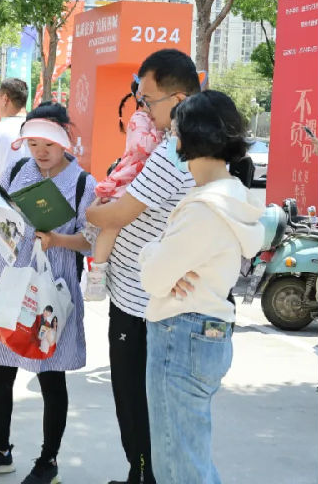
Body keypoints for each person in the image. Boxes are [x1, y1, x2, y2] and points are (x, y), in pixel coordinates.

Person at [85, 48, 201, 484]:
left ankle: (143, 476)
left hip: (140, 304)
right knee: (144, 402)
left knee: (134, 400)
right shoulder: (193, 148)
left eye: (149, 100)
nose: (145, 110)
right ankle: (140, 475)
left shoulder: (171, 154)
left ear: (179, 98)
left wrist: (92, 210)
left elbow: (115, 216)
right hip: (148, 295)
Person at [0, 103, 96, 483]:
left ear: (65, 139)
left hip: (52, 287)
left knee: (50, 376)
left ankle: (48, 461)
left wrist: (57, 239)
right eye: (33, 143)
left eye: (48, 144)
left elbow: (91, 240)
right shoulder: (18, 168)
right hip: (10, 278)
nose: (40, 152)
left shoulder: (83, 183)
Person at [139, 91, 263, 483]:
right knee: (188, 457)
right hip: (204, 332)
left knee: (178, 466)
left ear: (190, 136)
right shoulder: (231, 196)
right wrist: (161, 256)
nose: (170, 139)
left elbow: (153, 278)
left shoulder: (204, 208)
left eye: (174, 131)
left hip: (180, 334)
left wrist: (152, 250)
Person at [84, 79, 163, 300]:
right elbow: (141, 147)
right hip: (129, 178)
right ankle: (97, 274)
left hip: (142, 180)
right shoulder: (140, 118)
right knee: (112, 225)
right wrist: (164, 134)